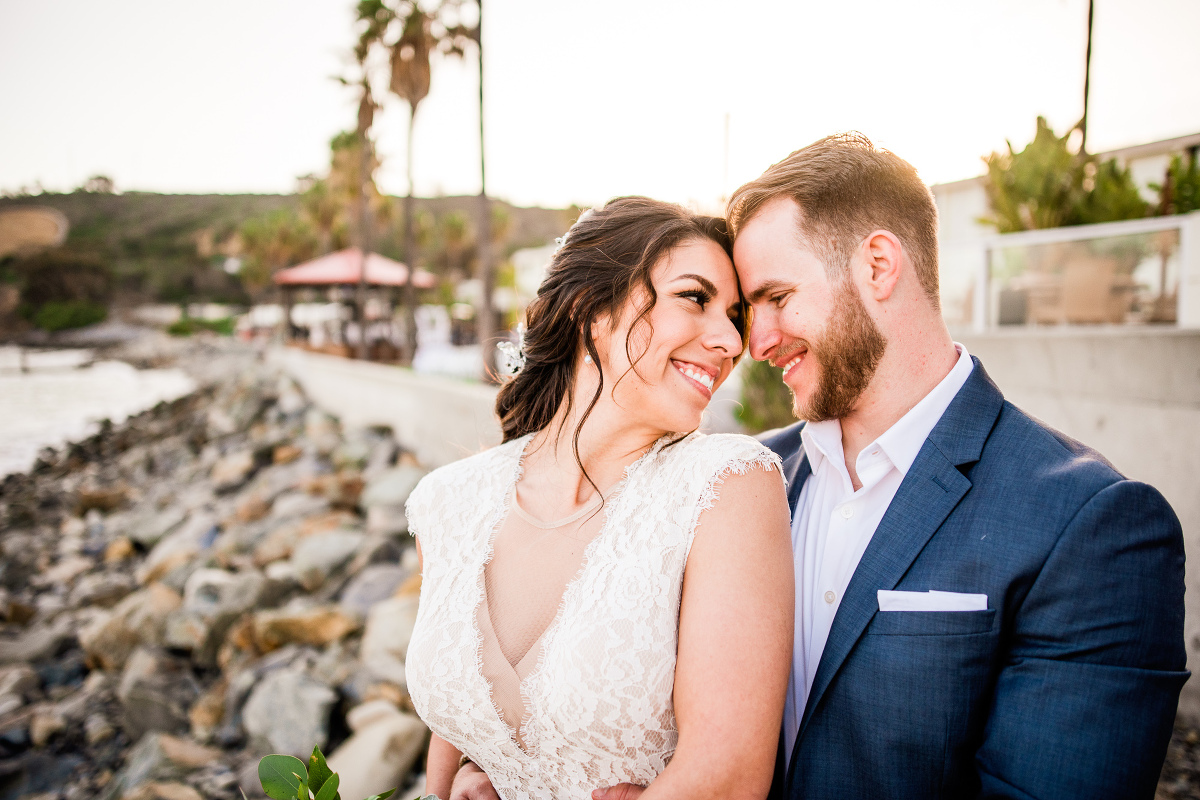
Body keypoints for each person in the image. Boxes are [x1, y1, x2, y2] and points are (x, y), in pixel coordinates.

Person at [730, 133, 1187, 799]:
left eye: (776, 296)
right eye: (749, 311)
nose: (757, 341)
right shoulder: (747, 478)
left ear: (879, 265)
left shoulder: (1093, 524)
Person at [403, 197, 795, 800]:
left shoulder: (725, 486)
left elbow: (730, 777)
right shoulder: (448, 501)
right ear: (593, 311)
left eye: (734, 316)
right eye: (695, 298)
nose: (729, 340)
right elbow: (453, 729)